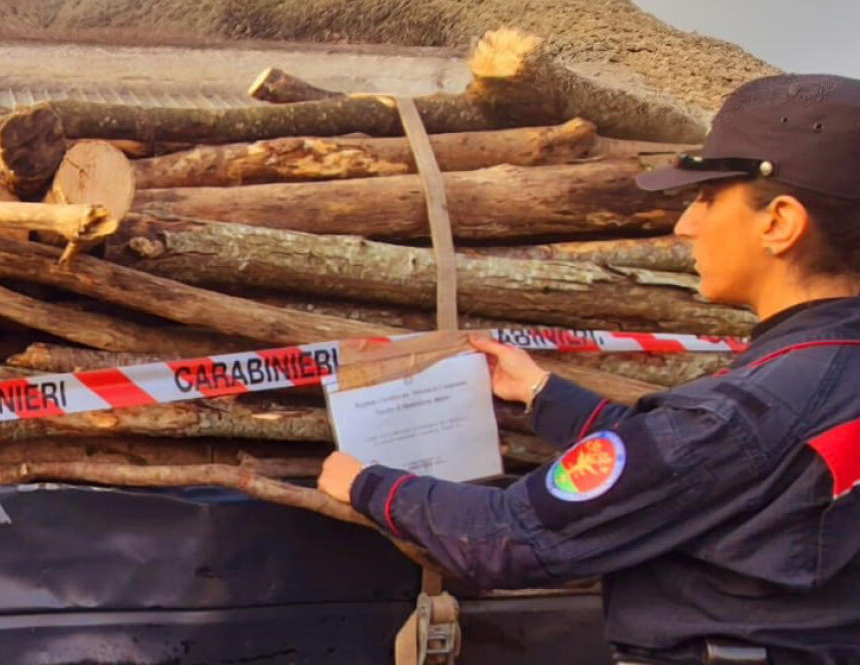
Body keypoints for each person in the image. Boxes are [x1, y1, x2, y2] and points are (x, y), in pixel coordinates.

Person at [317, 73, 860, 665]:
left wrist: (366, 483)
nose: (685, 225)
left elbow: (509, 538)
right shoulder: (818, 377)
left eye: (707, 197)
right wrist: (546, 395)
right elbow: (705, 469)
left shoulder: (745, 413)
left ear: (779, 222)